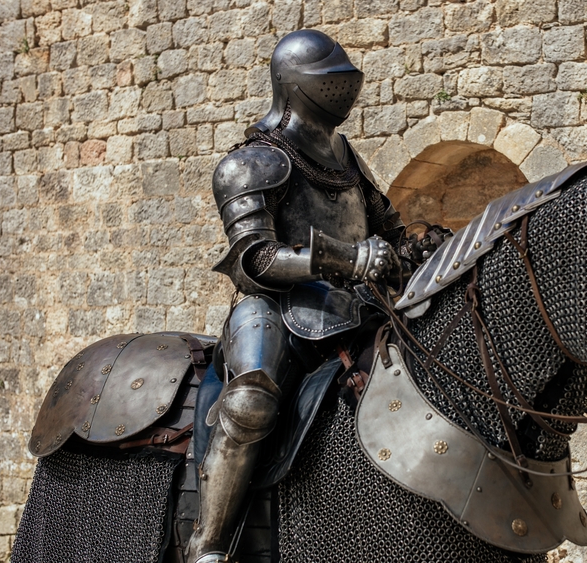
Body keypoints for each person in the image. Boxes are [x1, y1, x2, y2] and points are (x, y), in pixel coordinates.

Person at [187, 30, 443, 563]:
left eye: (344, 82)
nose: (342, 92)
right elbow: (254, 260)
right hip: (276, 308)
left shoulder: (344, 156)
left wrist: (422, 247)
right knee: (251, 400)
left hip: (357, 306)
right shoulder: (251, 163)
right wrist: (346, 260)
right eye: (330, 83)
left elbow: (388, 230)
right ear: (295, 86)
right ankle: (209, 543)